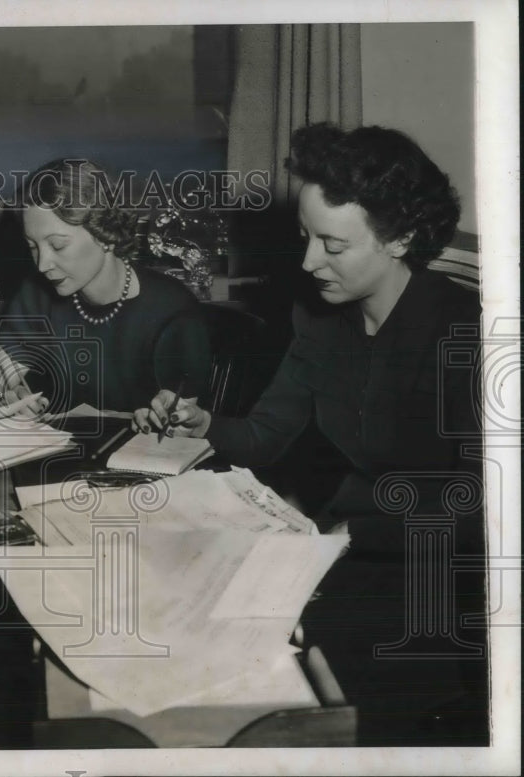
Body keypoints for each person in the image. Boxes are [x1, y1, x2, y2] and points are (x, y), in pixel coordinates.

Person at [135, 124, 487, 745]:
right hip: (344, 553)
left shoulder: (466, 335)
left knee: (294, 696)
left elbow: (482, 507)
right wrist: (206, 424)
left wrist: (352, 533)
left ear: (401, 238)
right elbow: (267, 436)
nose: (308, 261)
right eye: (305, 237)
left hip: (445, 580)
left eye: (333, 244)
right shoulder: (317, 317)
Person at [0, 159, 210, 416]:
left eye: (57, 245)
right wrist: (2, 399)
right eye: (32, 246)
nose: (42, 264)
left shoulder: (172, 310)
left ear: (104, 234)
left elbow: (183, 426)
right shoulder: (36, 294)